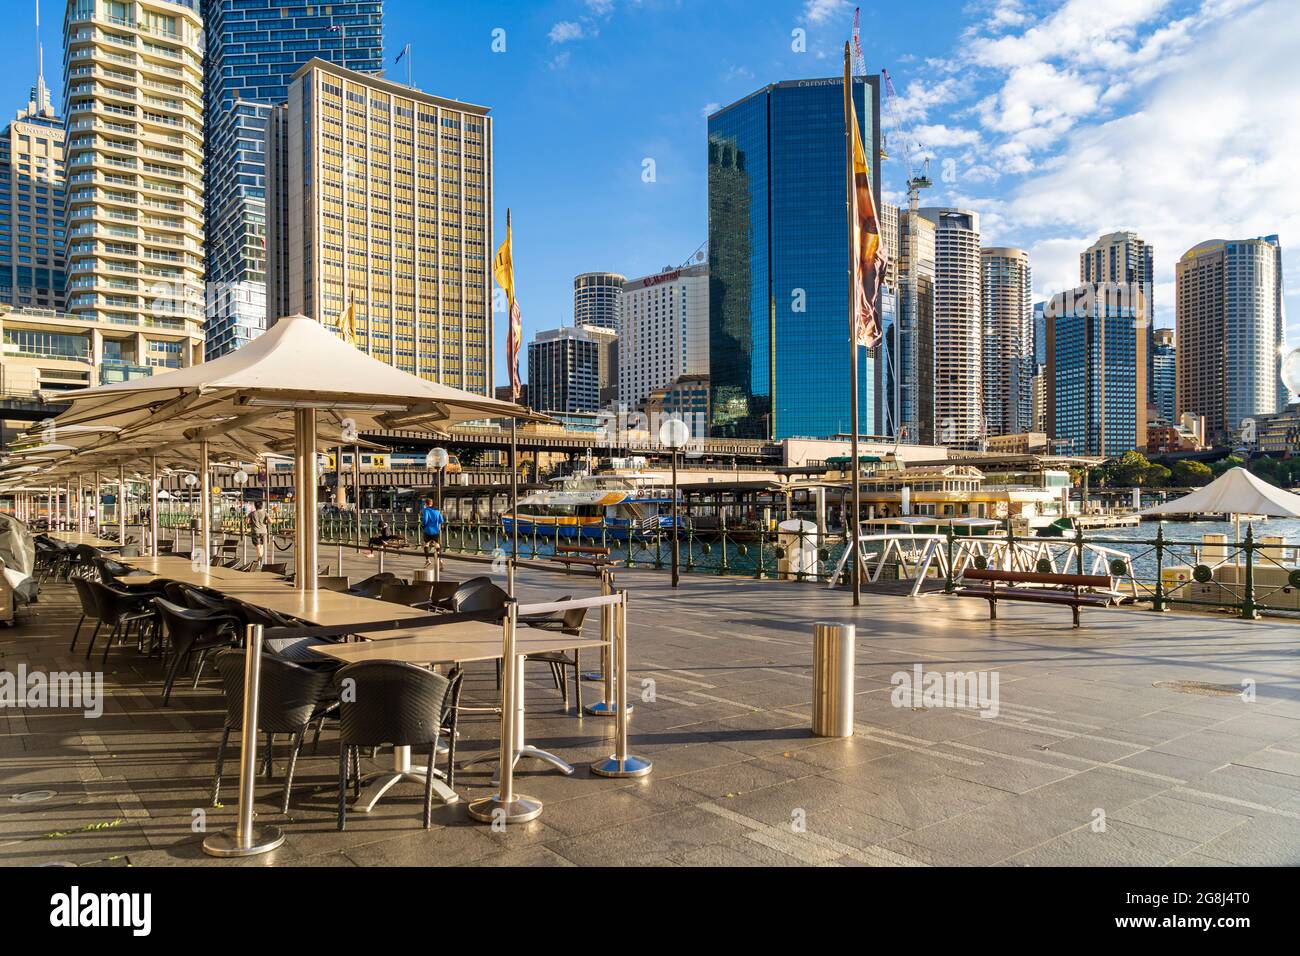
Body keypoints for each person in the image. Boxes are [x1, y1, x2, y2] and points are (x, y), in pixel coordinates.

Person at [420, 497, 444, 570]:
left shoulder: (426, 510)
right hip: (436, 531)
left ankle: (427, 560)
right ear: (432, 503)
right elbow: (441, 520)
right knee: (437, 545)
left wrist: (423, 524)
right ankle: (440, 560)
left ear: (426, 504)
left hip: (427, 531)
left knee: (425, 544)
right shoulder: (437, 511)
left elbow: (425, 520)